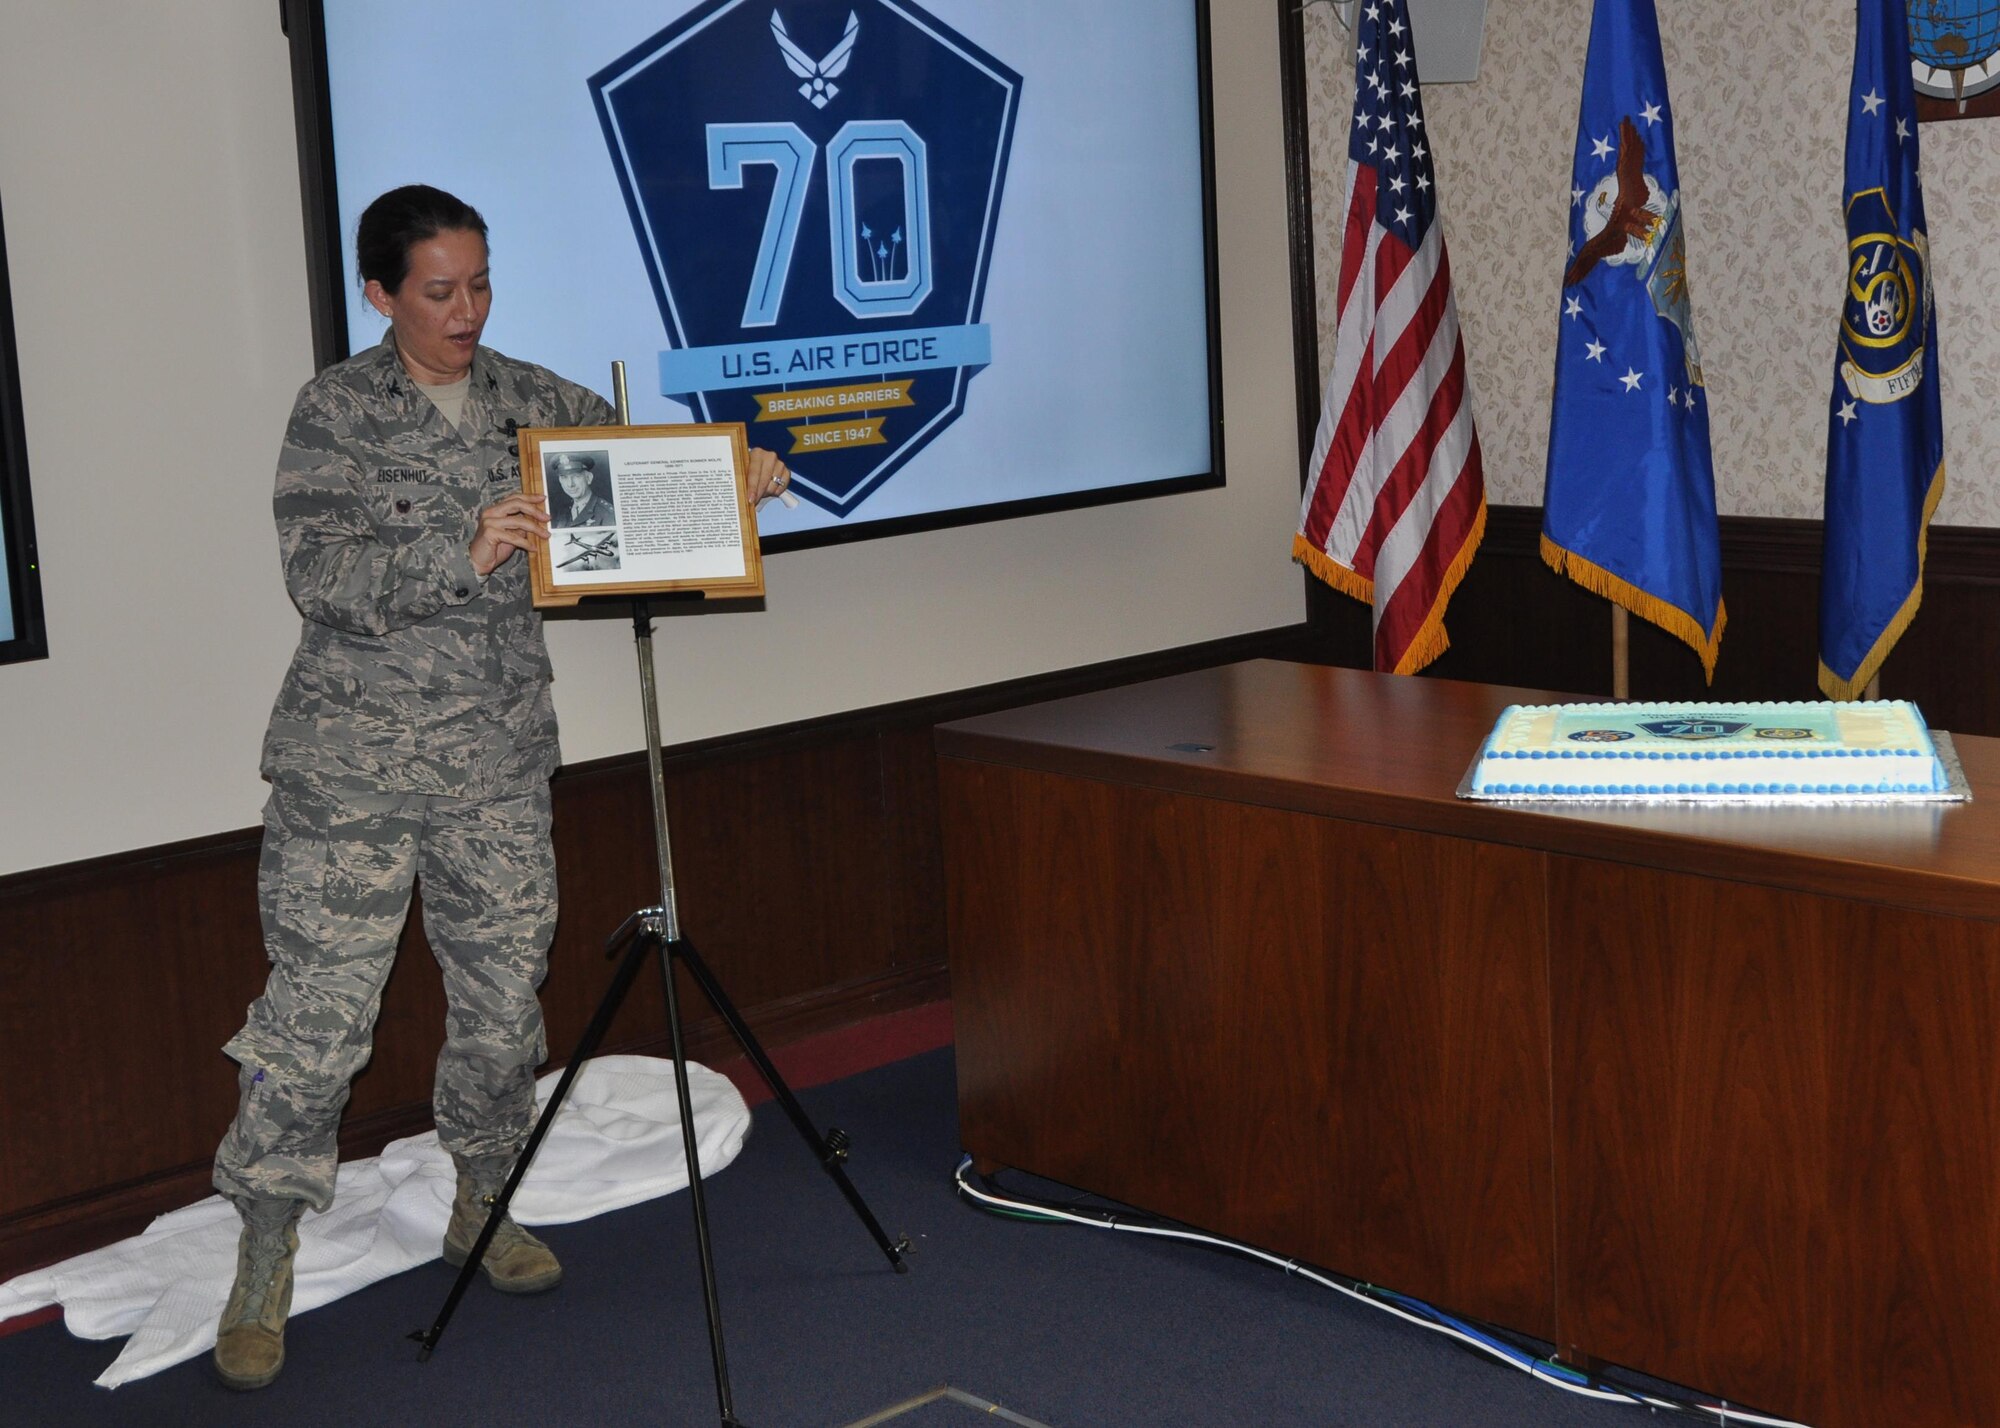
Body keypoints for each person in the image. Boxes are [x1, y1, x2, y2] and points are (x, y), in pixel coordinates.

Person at [209, 184, 789, 1391]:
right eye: (438, 290)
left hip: (495, 765)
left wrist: (728, 483)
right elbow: (321, 578)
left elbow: (639, 477)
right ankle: (264, 1243)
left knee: (499, 1007)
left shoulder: (533, 399)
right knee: (316, 1028)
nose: (466, 310)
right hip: (351, 771)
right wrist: (462, 545)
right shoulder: (336, 411)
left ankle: (483, 1196)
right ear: (381, 293)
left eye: (479, 284)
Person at [549, 452, 618, 527]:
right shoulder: (562, 513)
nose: (570, 484)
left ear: (588, 478)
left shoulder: (607, 513)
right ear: (560, 481)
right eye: (564, 477)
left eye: (576, 476)